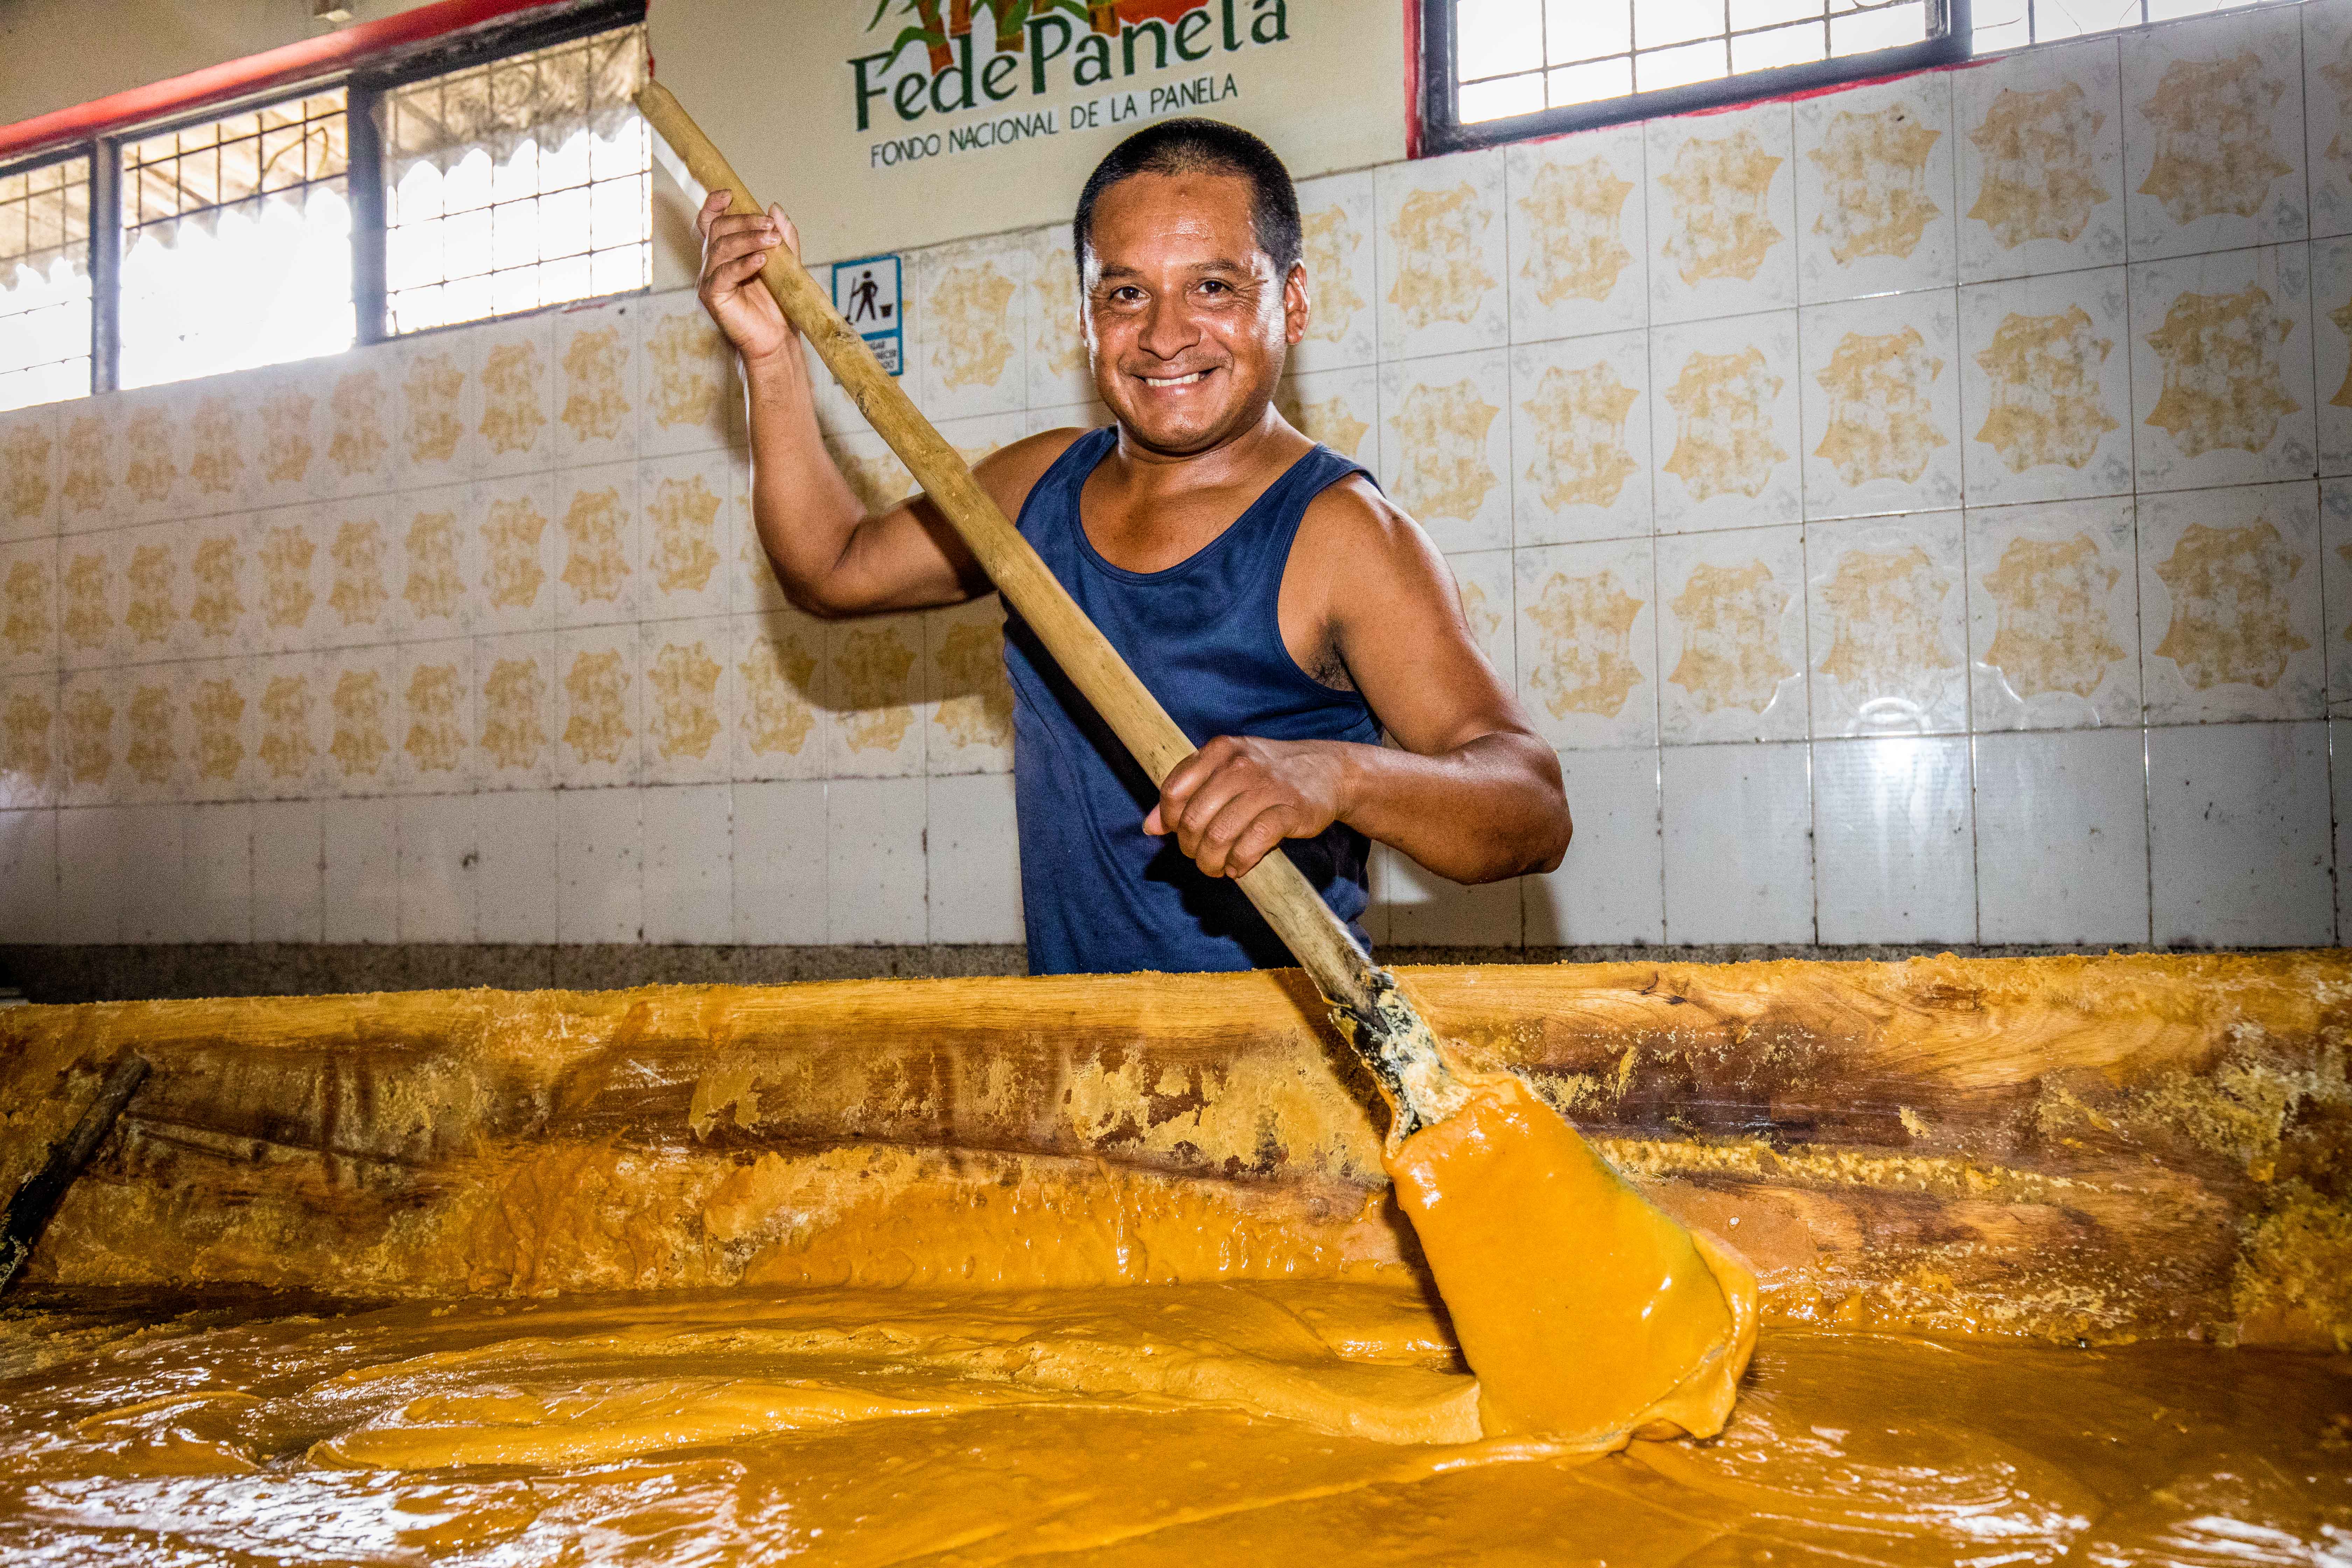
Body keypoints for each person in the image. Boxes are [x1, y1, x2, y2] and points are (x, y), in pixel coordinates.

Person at [695, 117, 1570, 975]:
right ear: (1085, 317)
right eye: (1125, 293)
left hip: (1285, 1080)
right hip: (1082, 1064)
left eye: (1214, 288)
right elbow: (832, 568)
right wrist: (771, 357)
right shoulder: (1033, 490)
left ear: (1292, 303)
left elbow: (1532, 806)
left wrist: (1337, 776)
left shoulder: (1343, 534)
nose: (1163, 333)